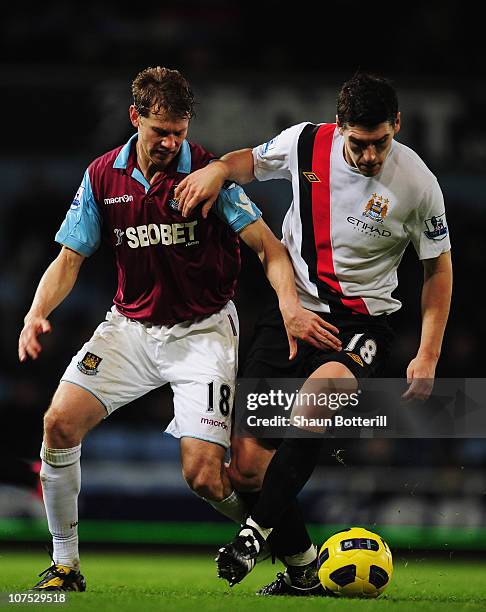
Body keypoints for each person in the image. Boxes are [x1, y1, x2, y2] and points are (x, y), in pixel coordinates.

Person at [18, 66, 332, 592]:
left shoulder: (208, 173)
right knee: (58, 425)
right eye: (159, 131)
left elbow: (268, 248)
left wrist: (288, 306)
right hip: (130, 329)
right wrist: (35, 312)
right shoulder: (102, 175)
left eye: (179, 132)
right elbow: (70, 258)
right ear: (134, 117)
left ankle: (298, 557)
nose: (170, 142)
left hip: (203, 333)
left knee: (207, 477)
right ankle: (65, 565)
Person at [174, 72, 453, 595]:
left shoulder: (418, 183)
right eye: (359, 143)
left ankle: (254, 536)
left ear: (397, 125)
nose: (370, 156)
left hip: (362, 323)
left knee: (324, 393)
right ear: (339, 125)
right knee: (248, 471)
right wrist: (215, 170)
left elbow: (438, 269)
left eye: (381, 143)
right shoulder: (305, 142)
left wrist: (428, 352)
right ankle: (303, 571)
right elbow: (248, 163)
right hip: (290, 316)